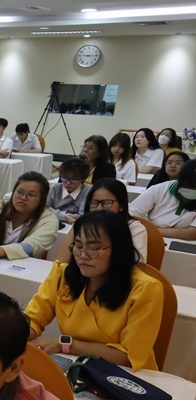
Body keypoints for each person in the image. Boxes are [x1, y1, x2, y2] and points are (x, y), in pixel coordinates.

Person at [26, 211, 163, 371]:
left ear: (119, 249)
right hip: (75, 366)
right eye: (78, 246)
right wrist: (11, 334)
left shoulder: (144, 288)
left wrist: (66, 344)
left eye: (94, 248)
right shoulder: (62, 274)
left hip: (125, 375)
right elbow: (33, 320)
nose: (83, 255)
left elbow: (127, 357)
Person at [0, 172, 58, 260]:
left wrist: (0, 251)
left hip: (22, 267)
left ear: (42, 199)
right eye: (19, 192)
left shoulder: (48, 220)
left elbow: (31, 246)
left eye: (31, 195)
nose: (23, 198)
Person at [55, 178, 148, 264]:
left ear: (121, 206)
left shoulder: (135, 229)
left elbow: (137, 266)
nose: (99, 208)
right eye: (94, 203)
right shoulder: (85, 225)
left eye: (107, 203)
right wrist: (79, 225)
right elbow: (60, 261)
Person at [130, 159, 196, 240]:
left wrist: (152, 230)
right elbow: (132, 214)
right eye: (187, 185)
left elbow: (192, 233)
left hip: (184, 243)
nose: (191, 190)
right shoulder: (160, 189)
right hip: (150, 237)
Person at [45, 157, 92, 223]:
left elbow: (83, 215)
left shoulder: (88, 190)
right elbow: (44, 209)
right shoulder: (54, 188)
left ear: (83, 179)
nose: (68, 183)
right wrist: (63, 216)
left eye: (74, 180)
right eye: (64, 178)